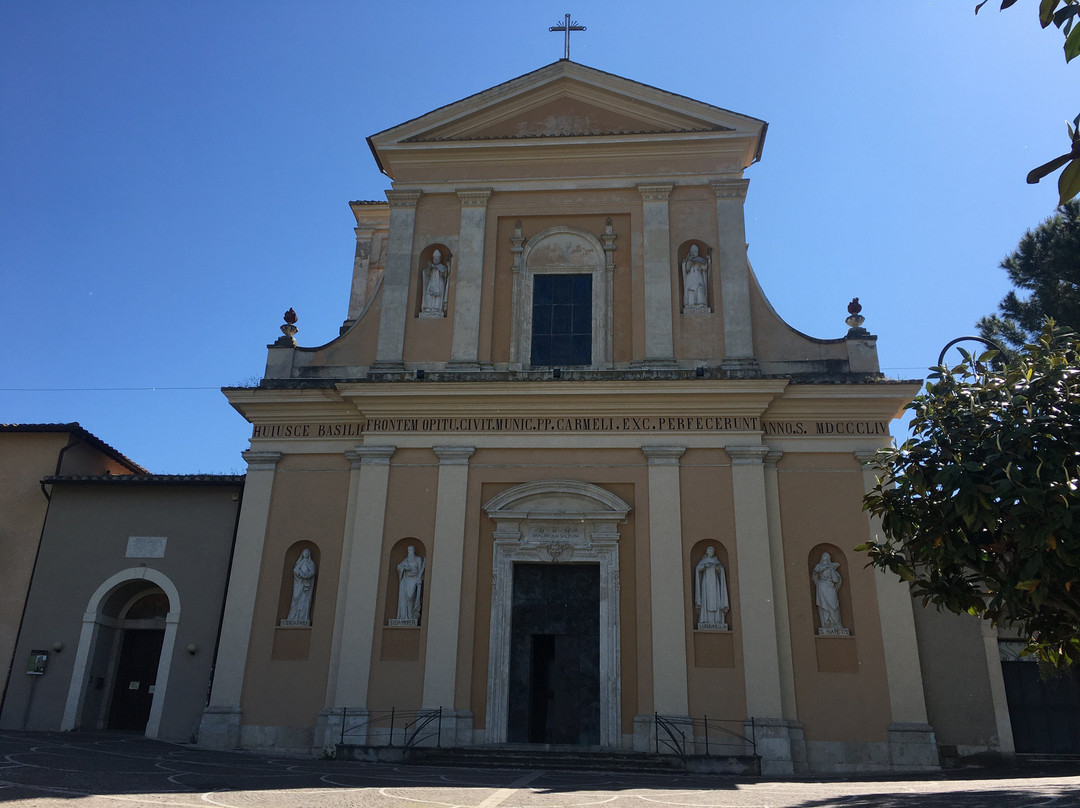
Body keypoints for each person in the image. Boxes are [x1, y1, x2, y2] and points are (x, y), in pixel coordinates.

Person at [695, 545, 729, 625]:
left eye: (712, 551)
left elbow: (721, 571)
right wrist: (704, 566)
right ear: (707, 552)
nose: (711, 552)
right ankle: (705, 619)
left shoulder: (716, 561)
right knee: (705, 599)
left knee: (716, 599)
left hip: (715, 584)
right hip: (706, 583)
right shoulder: (703, 561)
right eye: (710, 551)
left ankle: (717, 619)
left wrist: (717, 569)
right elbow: (698, 569)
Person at [812, 552, 844, 631]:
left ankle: (836, 623)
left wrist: (831, 569)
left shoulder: (831, 568)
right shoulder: (819, 566)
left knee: (834, 605)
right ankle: (826, 624)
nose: (825, 560)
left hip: (831, 588)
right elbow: (816, 571)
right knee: (823, 606)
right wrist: (826, 567)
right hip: (822, 588)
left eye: (827, 559)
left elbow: (836, 580)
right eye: (824, 559)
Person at [287, 548, 317, 624]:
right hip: (299, 583)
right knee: (295, 598)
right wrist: (300, 574)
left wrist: (306, 576)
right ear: (302, 554)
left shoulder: (311, 563)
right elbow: (295, 570)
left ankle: (302, 617)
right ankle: (293, 616)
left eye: (307, 553)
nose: (306, 554)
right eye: (304, 552)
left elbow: (313, 571)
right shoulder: (299, 563)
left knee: (304, 600)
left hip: (306, 585)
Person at [397, 545, 426, 621]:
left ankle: (412, 615)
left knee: (411, 597)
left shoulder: (418, 559)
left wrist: (418, 578)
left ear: (413, 550)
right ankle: (405, 616)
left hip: (414, 579)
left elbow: (420, 570)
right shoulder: (406, 560)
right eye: (408, 550)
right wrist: (403, 568)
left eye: (410, 550)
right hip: (406, 579)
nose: (409, 552)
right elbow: (399, 566)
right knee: (405, 597)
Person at [421, 250, 449, 315]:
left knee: (438, 297)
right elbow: (427, 273)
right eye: (435, 258)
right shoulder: (431, 267)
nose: (436, 259)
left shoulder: (442, 267)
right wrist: (429, 268)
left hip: (439, 283)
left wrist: (441, 270)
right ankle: (428, 309)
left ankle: (437, 309)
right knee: (429, 295)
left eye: (437, 258)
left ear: (440, 259)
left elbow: (444, 275)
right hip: (432, 283)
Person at [682, 244, 710, 308]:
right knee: (691, 291)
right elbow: (686, 269)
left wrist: (708, 261)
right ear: (691, 252)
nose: (695, 253)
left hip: (698, 278)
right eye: (694, 251)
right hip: (691, 279)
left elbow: (704, 268)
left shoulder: (700, 260)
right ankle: (691, 304)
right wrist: (690, 261)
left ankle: (700, 304)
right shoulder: (687, 260)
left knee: (700, 290)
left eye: (696, 251)